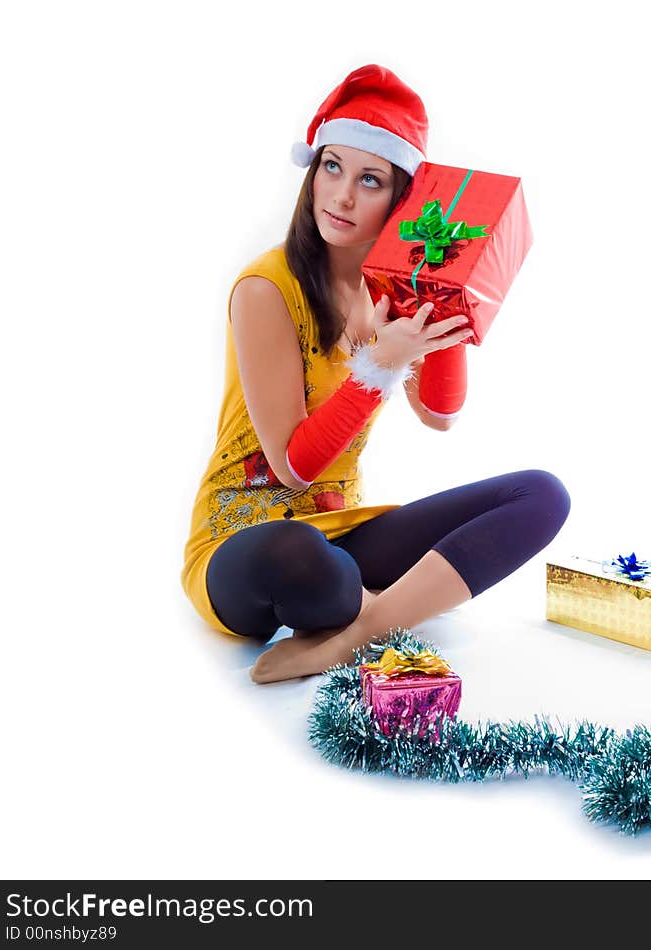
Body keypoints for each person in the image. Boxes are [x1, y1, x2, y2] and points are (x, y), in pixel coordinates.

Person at [180, 64, 571, 684]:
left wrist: (441, 290)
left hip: (342, 533)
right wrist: (379, 364)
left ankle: (362, 630)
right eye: (331, 167)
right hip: (245, 542)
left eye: (371, 180)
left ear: (401, 199)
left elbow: (441, 415)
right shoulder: (266, 287)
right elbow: (291, 467)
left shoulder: (385, 289)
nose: (342, 196)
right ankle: (360, 609)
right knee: (307, 559)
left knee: (542, 493)